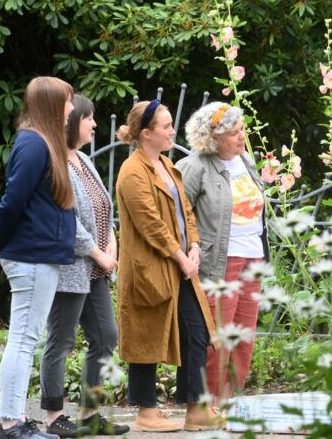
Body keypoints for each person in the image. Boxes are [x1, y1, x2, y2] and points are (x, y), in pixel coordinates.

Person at [115, 99, 218, 432]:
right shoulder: (132, 171)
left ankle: (196, 408)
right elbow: (151, 224)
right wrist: (181, 256)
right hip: (151, 268)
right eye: (166, 126)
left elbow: (186, 212)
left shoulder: (168, 166)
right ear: (146, 133)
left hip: (180, 264)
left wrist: (196, 246)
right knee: (145, 336)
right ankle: (146, 413)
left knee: (196, 331)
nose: (172, 131)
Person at [0, 77, 76, 439]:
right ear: (54, 105)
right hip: (32, 257)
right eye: (68, 102)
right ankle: (11, 423)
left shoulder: (42, 144)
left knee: (26, 338)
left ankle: (15, 418)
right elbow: (12, 201)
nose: (72, 108)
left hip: (39, 255)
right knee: (23, 339)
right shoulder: (34, 144)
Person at [39, 95, 129, 436]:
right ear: (73, 121)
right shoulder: (54, 162)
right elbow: (66, 220)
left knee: (106, 336)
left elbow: (102, 209)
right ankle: (53, 417)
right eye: (89, 119)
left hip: (95, 268)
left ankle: (89, 415)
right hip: (70, 267)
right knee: (60, 341)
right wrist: (97, 251)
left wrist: (112, 241)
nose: (94, 124)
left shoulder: (84, 160)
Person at [176, 102, 269, 401]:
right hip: (219, 262)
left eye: (242, 129)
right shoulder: (194, 167)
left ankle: (231, 400)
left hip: (252, 257)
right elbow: (177, 213)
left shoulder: (245, 160)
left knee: (243, 335)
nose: (242, 137)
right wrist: (189, 249)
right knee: (217, 335)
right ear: (213, 138)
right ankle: (209, 402)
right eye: (234, 133)